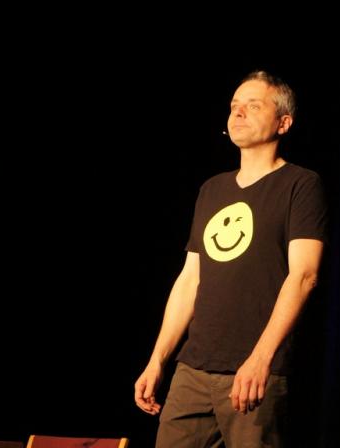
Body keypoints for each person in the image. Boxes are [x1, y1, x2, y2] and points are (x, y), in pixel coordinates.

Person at [134, 70, 327, 448]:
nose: (238, 113)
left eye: (253, 106)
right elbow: (190, 279)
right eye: (234, 106)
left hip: (254, 369)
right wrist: (158, 359)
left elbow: (304, 275)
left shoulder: (300, 185)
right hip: (193, 369)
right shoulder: (212, 189)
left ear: (283, 123)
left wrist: (261, 359)